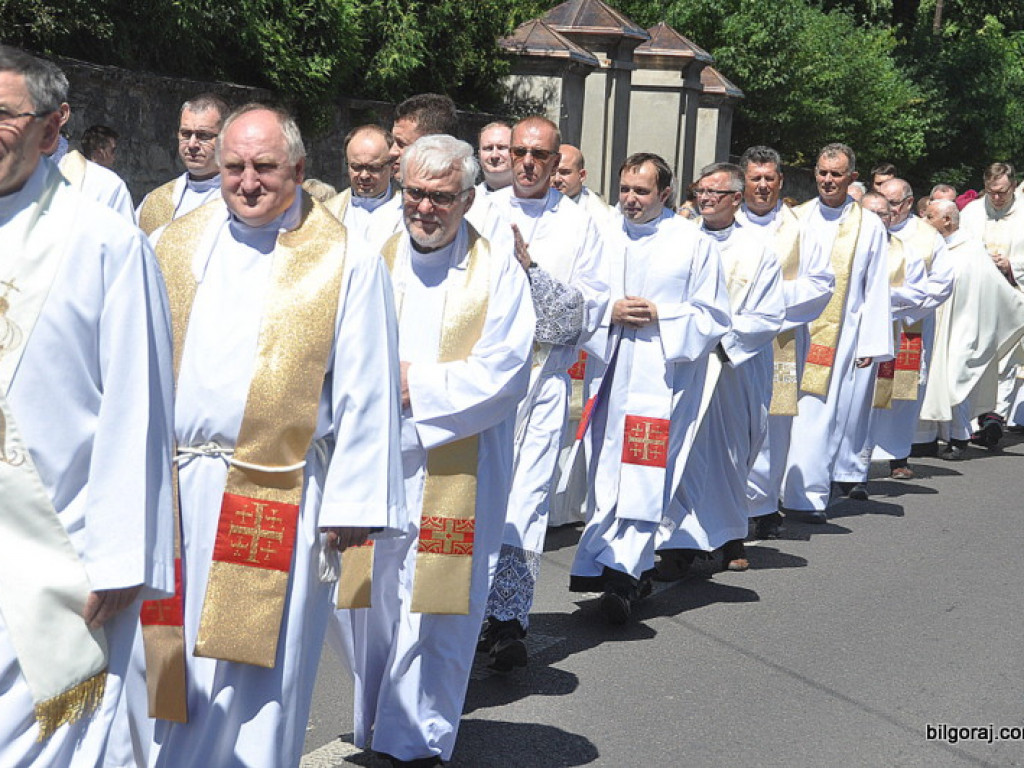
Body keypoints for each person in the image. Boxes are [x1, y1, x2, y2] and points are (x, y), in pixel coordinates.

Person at [139, 103, 404, 768]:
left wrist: (352, 504)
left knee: (257, 681)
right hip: (174, 491)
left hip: (276, 492)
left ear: (299, 168)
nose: (248, 181)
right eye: (234, 166)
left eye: (265, 166)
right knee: (168, 667)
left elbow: (368, 387)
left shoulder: (345, 259)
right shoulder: (172, 243)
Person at [0, 45, 173, 766]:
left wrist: (123, 554)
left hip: (55, 554)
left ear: (51, 127)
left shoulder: (105, 243)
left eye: (3, 114)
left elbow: (139, 407)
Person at [338, 134, 534, 768]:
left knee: (438, 606)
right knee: (368, 598)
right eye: (415, 193)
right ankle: (376, 718)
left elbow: (506, 371)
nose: (424, 207)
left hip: (457, 463)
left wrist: (414, 384)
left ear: (468, 199)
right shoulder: (368, 253)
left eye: (441, 197)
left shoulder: (497, 270)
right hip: (375, 461)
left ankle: (417, 738)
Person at [568, 153, 730, 619]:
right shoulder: (601, 233)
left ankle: (625, 574)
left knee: (644, 474)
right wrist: (609, 312)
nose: (630, 199)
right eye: (624, 189)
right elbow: (580, 294)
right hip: (609, 373)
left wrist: (663, 315)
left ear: (665, 193)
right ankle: (600, 563)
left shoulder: (693, 242)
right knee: (605, 475)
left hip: (662, 380)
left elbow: (713, 316)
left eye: (641, 191)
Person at [481, 115, 609, 668]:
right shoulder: (480, 209)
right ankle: (462, 608)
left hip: (542, 382)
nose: (528, 163)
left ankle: (508, 618)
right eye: (520, 152)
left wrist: (530, 269)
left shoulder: (582, 224)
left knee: (527, 501)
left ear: (557, 162)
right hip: (483, 383)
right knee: (475, 497)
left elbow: (582, 314)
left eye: (540, 155)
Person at [652, 162, 785, 578]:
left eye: (715, 192)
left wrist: (719, 340)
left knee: (729, 453)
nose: (705, 199)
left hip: (733, 367)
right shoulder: (680, 241)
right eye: (700, 191)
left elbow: (768, 314)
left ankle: (730, 537)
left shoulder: (758, 250)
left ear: (736, 198)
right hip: (687, 362)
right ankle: (677, 544)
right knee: (683, 448)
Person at [781, 143, 893, 523]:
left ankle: (808, 496)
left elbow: (875, 286)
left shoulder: (869, 225)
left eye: (836, 174)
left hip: (841, 335)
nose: (828, 180)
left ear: (852, 178)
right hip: (792, 332)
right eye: (822, 172)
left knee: (820, 414)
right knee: (783, 412)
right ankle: (771, 493)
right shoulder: (795, 218)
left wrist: (871, 343)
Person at [737, 145, 833, 540]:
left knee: (772, 424)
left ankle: (761, 505)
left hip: (781, 340)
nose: (762, 186)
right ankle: (724, 505)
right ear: (743, 181)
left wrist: (767, 299)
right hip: (731, 339)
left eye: (769, 178)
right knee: (729, 421)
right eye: (755, 178)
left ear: (780, 181)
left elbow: (821, 283)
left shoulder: (800, 228)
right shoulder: (725, 222)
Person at [856, 180, 953, 480]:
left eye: (894, 203)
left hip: (908, 326)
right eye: (882, 201)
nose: (887, 209)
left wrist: (899, 310)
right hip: (863, 326)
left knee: (901, 393)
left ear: (909, 203)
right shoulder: (861, 229)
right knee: (863, 392)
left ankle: (898, 455)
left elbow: (942, 283)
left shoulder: (926, 237)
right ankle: (857, 458)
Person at [917, 198, 1024, 457]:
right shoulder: (936, 246)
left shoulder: (971, 250)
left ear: (947, 220)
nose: (924, 221)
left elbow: (994, 288)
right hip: (936, 324)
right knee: (931, 380)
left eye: (930, 216)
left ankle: (959, 437)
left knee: (955, 381)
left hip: (964, 327)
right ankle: (928, 438)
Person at [959, 162, 1024, 439]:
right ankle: (972, 420)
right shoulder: (972, 212)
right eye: (991, 191)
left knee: (1007, 357)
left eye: (1002, 192)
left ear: (1013, 186)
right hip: (978, 296)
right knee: (974, 354)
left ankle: (995, 418)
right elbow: (958, 247)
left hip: (1013, 296)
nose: (996, 198)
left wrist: (1011, 265)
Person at [136, 93, 229, 235]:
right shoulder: (156, 201)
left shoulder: (238, 199)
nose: (192, 144)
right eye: (186, 134)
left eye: (203, 135)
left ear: (225, 138)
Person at [324, 124, 401, 246]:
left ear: (392, 167)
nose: (364, 175)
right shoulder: (328, 212)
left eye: (374, 167)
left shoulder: (406, 211)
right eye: (356, 167)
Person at [476, 120, 512, 194]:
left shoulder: (532, 198)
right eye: (488, 148)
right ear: (479, 155)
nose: (494, 155)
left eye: (501, 147)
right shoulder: (468, 199)